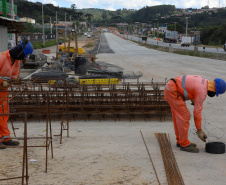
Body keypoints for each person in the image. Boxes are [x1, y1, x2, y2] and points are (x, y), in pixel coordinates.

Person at [164, 75, 226, 153]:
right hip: (173, 91)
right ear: (214, 90)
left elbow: (190, 86)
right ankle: (184, 144)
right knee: (184, 116)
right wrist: (199, 130)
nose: (213, 95)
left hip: (171, 87)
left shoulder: (204, 80)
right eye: (215, 93)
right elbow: (197, 113)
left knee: (179, 116)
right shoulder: (202, 92)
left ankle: (180, 141)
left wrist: (193, 98)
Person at [0, 39, 33, 149]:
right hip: (1, 87)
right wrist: (1, 82)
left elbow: (14, 76)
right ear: (20, 51)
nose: (24, 58)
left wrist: (15, 81)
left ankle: (5, 138)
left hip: (4, 91)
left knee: (4, 113)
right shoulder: (2, 57)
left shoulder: (17, 61)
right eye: (24, 55)